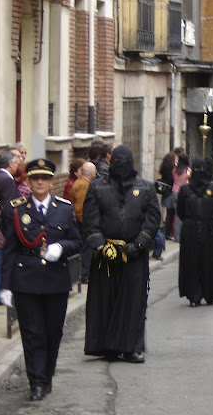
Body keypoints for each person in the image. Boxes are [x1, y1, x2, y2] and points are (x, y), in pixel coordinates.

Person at [0, 158, 81, 401]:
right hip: (26, 279)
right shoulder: (17, 209)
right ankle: (35, 382)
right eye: (35, 178)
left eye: (45, 178)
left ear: (51, 181)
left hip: (55, 280)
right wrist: (5, 285)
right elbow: (10, 249)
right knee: (31, 332)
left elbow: (77, 241)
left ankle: (47, 376)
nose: (40, 183)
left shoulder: (64, 208)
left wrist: (61, 247)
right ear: (29, 181)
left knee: (52, 332)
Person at [83, 145, 161, 364]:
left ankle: (131, 347)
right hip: (105, 257)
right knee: (105, 301)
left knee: (133, 302)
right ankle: (106, 346)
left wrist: (140, 243)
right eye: (116, 161)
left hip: (134, 255)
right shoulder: (97, 187)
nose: (121, 166)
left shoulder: (145, 188)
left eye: (124, 162)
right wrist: (101, 246)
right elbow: (90, 220)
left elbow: (153, 219)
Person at [176, 156, 213, 306]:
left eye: (201, 169)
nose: (199, 172)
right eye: (196, 169)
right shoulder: (185, 189)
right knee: (192, 261)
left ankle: (209, 291)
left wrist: (207, 220)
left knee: (209, 261)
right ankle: (194, 294)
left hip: (209, 230)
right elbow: (181, 210)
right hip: (190, 230)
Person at [0, 149, 21, 304]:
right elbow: (9, 207)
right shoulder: (7, 179)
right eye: (16, 162)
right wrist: (13, 226)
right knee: (0, 261)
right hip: (4, 228)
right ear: (10, 163)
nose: (17, 165)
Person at [70, 161, 97, 282]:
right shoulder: (83, 185)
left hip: (84, 222)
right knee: (86, 249)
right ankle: (84, 275)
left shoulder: (83, 182)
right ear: (91, 173)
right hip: (84, 223)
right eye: (95, 172)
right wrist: (86, 223)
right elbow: (80, 207)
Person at [171, 152, 191, 242]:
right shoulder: (188, 170)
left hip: (174, 192)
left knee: (177, 215)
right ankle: (182, 236)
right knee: (183, 215)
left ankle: (176, 236)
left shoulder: (174, 170)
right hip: (183, 193)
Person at [158, 152, 176, 240]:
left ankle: (168, 232)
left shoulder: (163, 167)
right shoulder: (170, 169)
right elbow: (171, 180)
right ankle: (168, 233)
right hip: (170, 192)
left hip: (166, 193)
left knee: (169, 213)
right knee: (170, 213)